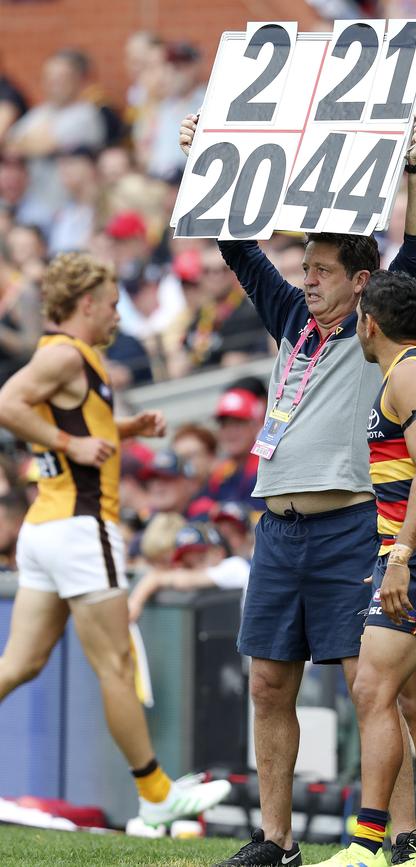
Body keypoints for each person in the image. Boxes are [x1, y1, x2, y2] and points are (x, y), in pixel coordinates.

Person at [179, 111, 416, 867]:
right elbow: (237, 249)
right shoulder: (292, 314)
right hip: (279, 528)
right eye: (306, 268)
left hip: (352, 525)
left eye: (321, 270)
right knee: (267, 683)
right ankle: (277, 840)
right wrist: (210, 161)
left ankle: (394, 839)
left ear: (361, 281)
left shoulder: (377, 321)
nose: (307, 280)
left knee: (371, 686)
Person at [0, 252, 230, 826]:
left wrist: (124, 429)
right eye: (109, 304)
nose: (117, 316)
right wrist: (68, 443)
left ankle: (155, 794)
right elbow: (7, 404)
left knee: (21, 664)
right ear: (85, 304)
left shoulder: (72, 358)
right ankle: (156, 795)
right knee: (117, 666)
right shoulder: (66, 354)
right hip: (81, 528)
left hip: (46, 529)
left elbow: (82, 426)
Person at [312, 270, 416, 867]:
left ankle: (366, 845)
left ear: (369, 323)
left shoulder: (408, 373)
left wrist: (401, 556)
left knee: (371, 689)